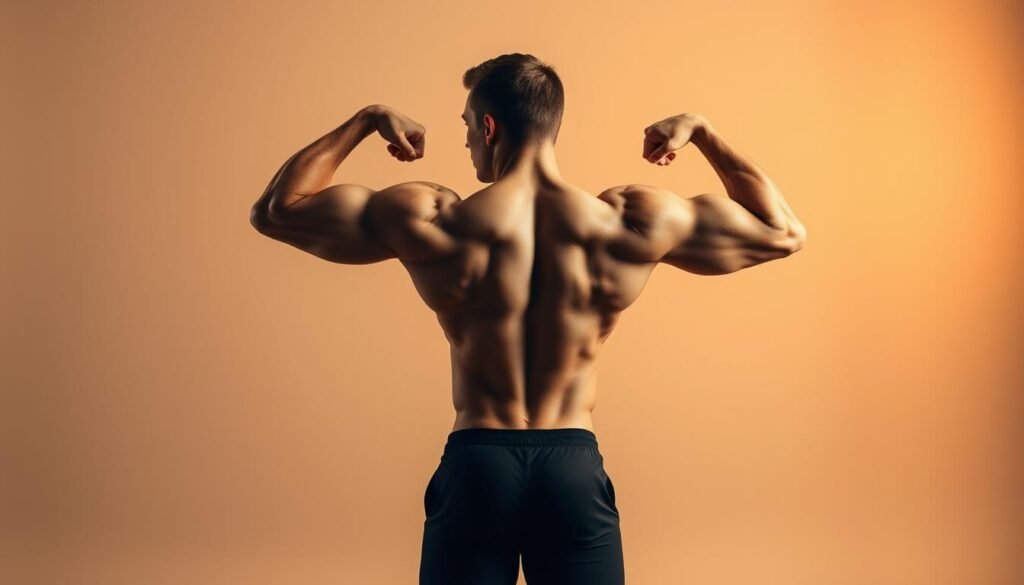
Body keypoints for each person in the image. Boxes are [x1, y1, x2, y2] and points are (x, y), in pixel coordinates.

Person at [250, 52, 807, 585]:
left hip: (477, 467)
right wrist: (702, 130)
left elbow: (278, 211)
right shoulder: (629, 222)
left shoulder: (434, 219)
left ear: (489, 127)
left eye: (467, 125)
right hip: (572, 468)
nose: (466, 140)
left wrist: (367, 119)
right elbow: (783, 231)